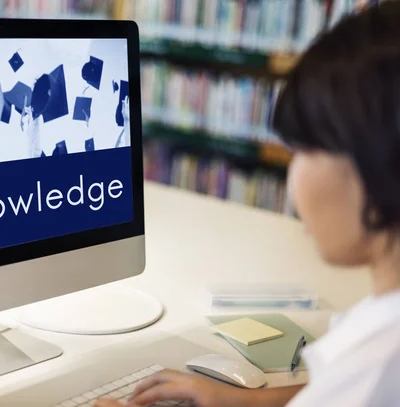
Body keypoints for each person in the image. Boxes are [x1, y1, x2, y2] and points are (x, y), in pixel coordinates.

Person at [95, 2, 400, 407]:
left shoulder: (378, 363)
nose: (294, 180)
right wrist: (253, 401)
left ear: (375, 160)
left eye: (304, 150)